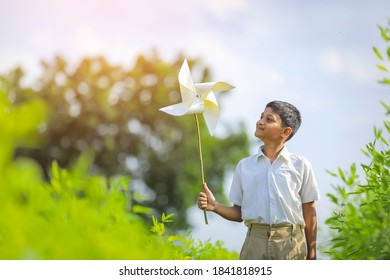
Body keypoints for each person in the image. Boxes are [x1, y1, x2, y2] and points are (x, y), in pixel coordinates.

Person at [197, 100, 320, 260]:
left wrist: (312, 251)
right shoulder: (244, 166)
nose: (260, 122)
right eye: (261, 116)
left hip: (291, 244)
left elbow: (309, 211)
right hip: (254, 242)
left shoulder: (301, 165)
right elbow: (239, 213)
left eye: (269, 119)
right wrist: (215, 206)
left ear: (285, 131)